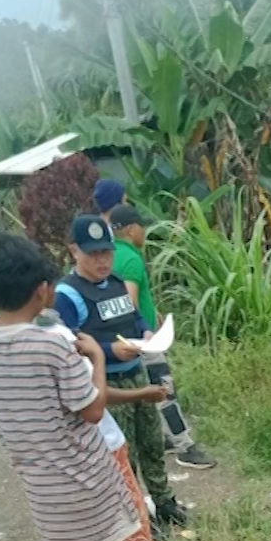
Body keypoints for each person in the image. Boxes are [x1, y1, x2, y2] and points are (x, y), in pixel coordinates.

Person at [0, 231, 171, 541]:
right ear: (41, 290)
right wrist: (97, 358)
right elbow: (91, 410)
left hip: (36, 473)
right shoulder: (53, 344)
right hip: (83, 467)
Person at [53, 213, 192, 533]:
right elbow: (68, 344)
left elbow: (134, 320)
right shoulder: (67, 294)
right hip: (105, 384)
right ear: (74, 251)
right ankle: (136, 516)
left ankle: (164, 501)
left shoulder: (115, 283)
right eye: (94, 254)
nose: (102, 260)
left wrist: (145, 334)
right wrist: (107, 350)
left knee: (152, 442)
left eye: (107, 252)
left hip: (135, 371)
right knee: (121, 453)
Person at [107, 201, 216, 469]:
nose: (144, 231)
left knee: (148, 394)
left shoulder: (110, 256)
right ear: (132, 229)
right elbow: (128, 302)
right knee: (165, 388)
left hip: (121, 341)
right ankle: (185, 446)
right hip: (141, 340)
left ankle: (166, 437)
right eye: (141, 226)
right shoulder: (131, 258)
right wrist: (143, 333)